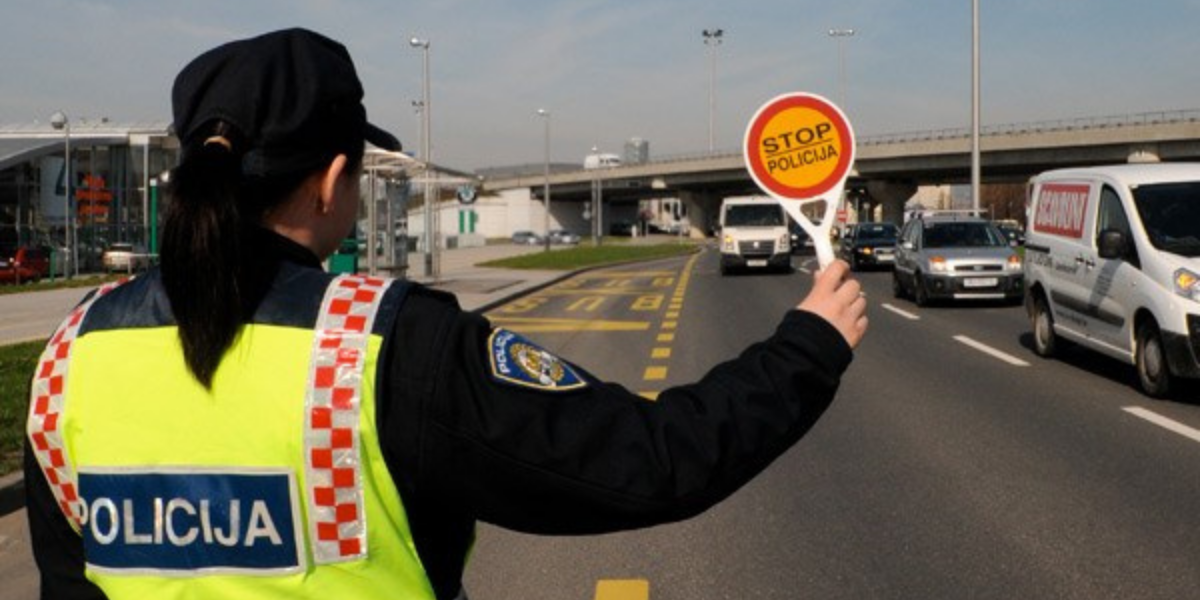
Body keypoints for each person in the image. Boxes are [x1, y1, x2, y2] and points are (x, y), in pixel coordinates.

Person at [24, 28, 868, 600]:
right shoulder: (383, 345)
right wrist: (808, 346)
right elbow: (648, 463)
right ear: (332, 180)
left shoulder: (72, 355)